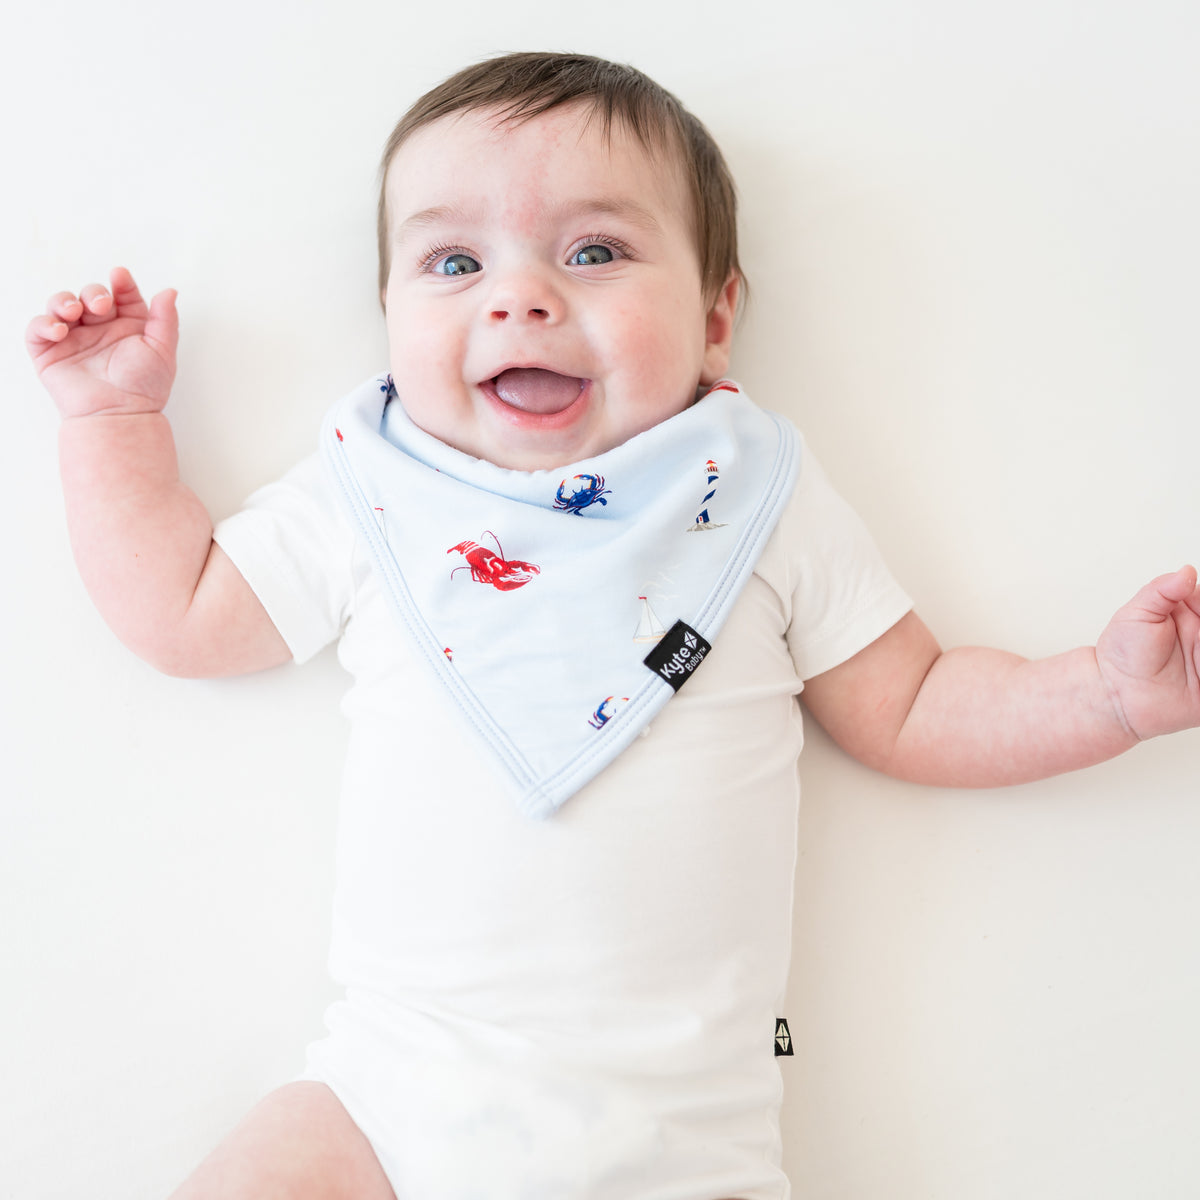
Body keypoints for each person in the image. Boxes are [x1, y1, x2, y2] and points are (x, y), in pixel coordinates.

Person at [24, 50, 1200, 1200]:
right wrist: (115, 422)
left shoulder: (755, 499)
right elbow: (183, 612)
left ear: (716, 313)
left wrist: (1106, 695)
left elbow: (914, 703)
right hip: (388, 1101)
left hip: (683, 1139)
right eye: (451, 260)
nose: (519, 294)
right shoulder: (376, 493)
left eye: (594, 251)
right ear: (386, 311)